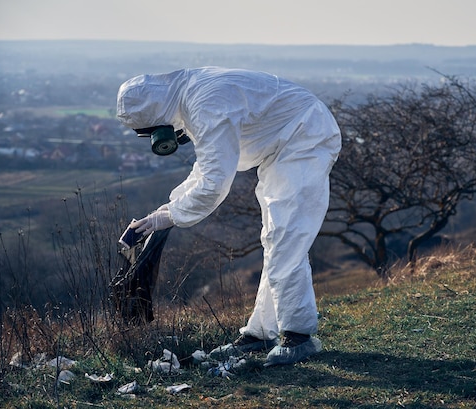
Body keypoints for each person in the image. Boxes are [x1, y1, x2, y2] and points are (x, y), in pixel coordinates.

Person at [116, 67, 341, 366]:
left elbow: (214, 182)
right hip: (284, 144)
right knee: (275, 239)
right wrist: (166, 209)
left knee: (286, 236)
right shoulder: (189, 97)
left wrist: (172, 216)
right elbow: (206, 166)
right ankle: (260, 334)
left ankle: (299, 337)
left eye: (150, 131)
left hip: (304, 136)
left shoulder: (206, 103)